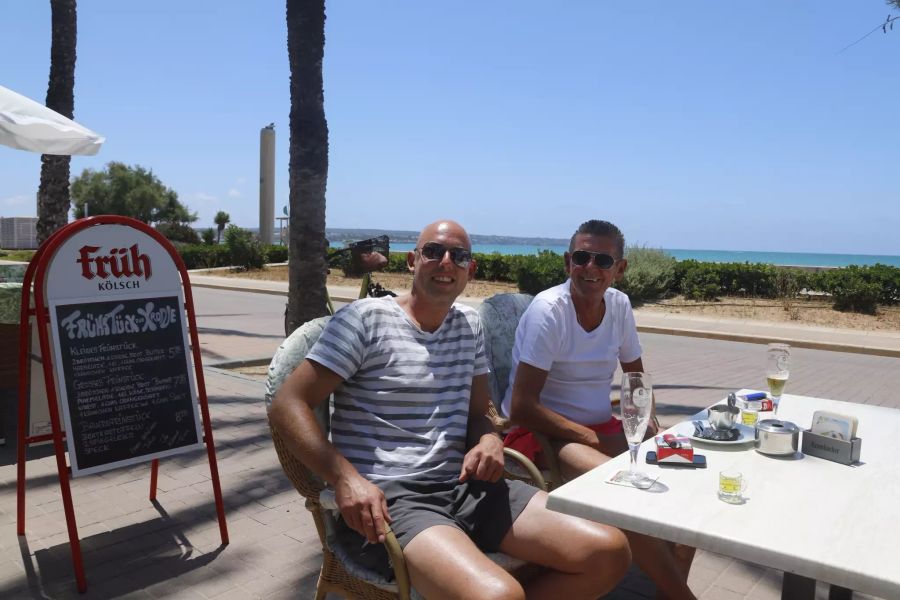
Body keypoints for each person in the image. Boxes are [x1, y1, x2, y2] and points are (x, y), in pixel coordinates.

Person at [270, 219, 632, 600]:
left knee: (608, 552)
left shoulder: (468, 325)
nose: (446, 262)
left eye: (459, 256)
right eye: (433, 251)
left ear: (470, 271)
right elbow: (288, 404)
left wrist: (490, 440)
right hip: (392, 501)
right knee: (498, 595)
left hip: (466, 487)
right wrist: (345, 478)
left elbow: (480, 414)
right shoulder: (364, 319)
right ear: (413, 261)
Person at [502, 219, 696, 600]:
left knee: (686, 486)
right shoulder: (550, 311)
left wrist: (647, 423)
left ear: (620, 269)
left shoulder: (619, 306)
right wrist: (591, 437)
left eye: (603, 260)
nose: (590, 267)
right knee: (624, 490)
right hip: (542, 434)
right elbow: (523, 407)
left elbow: (637, 379)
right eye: (582, 257)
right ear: (567, 262)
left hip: (600, 427)